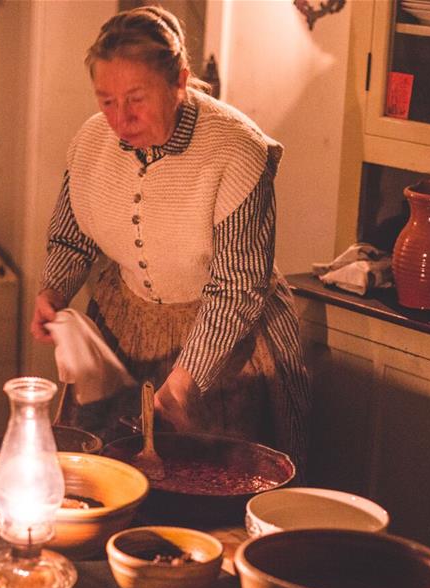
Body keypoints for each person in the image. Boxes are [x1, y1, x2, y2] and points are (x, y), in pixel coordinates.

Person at [30, 4, 310, 467]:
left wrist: (183, 386)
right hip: (126, 326)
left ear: (179, 79)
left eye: (136, 98)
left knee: (209, 481)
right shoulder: (90, 142)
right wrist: (53, 290)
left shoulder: (236, 151)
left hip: (224, 343)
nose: (120, 119)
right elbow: (71, 236)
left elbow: (236, 288)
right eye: (106, 100)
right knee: (110, 472)